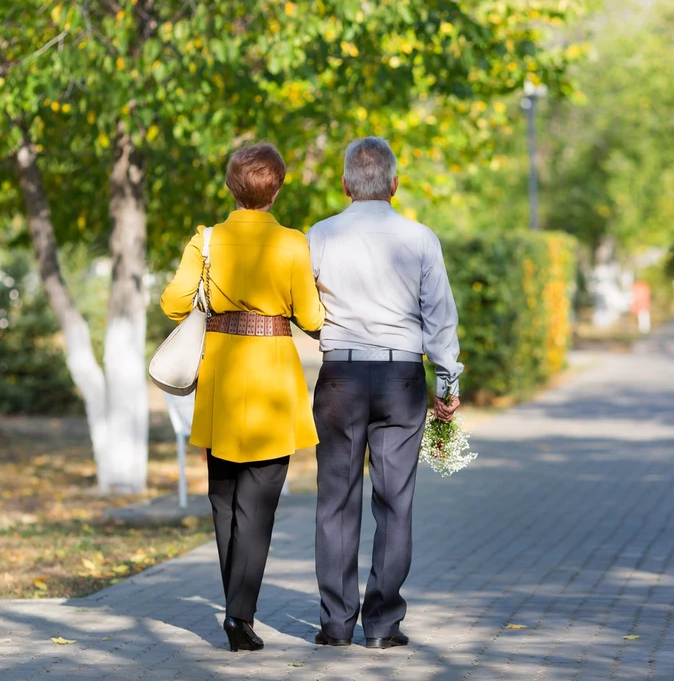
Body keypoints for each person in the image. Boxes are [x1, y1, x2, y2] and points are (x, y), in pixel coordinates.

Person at [160, 143, 325, 652]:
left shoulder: (205, 240)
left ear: (231, 187)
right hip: (273, 378)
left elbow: (172, 304)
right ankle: (239, 615)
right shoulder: (294, 244)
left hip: (222, 377)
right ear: (276, 190)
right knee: (258, 505)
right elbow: (314, 319)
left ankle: (237, 609)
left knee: (224, 499)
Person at [307, 137, 463, 649]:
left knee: (336, 501)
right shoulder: (420, 238)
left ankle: (335, 624)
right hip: (401, 379)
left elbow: (306, 310)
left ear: (346, 184)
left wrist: (330, 334)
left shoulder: (320, 236)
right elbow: (440, 318)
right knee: (395, 503)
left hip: (341, 378)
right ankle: (381, 625)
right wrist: (447, 383)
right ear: (394, 185)